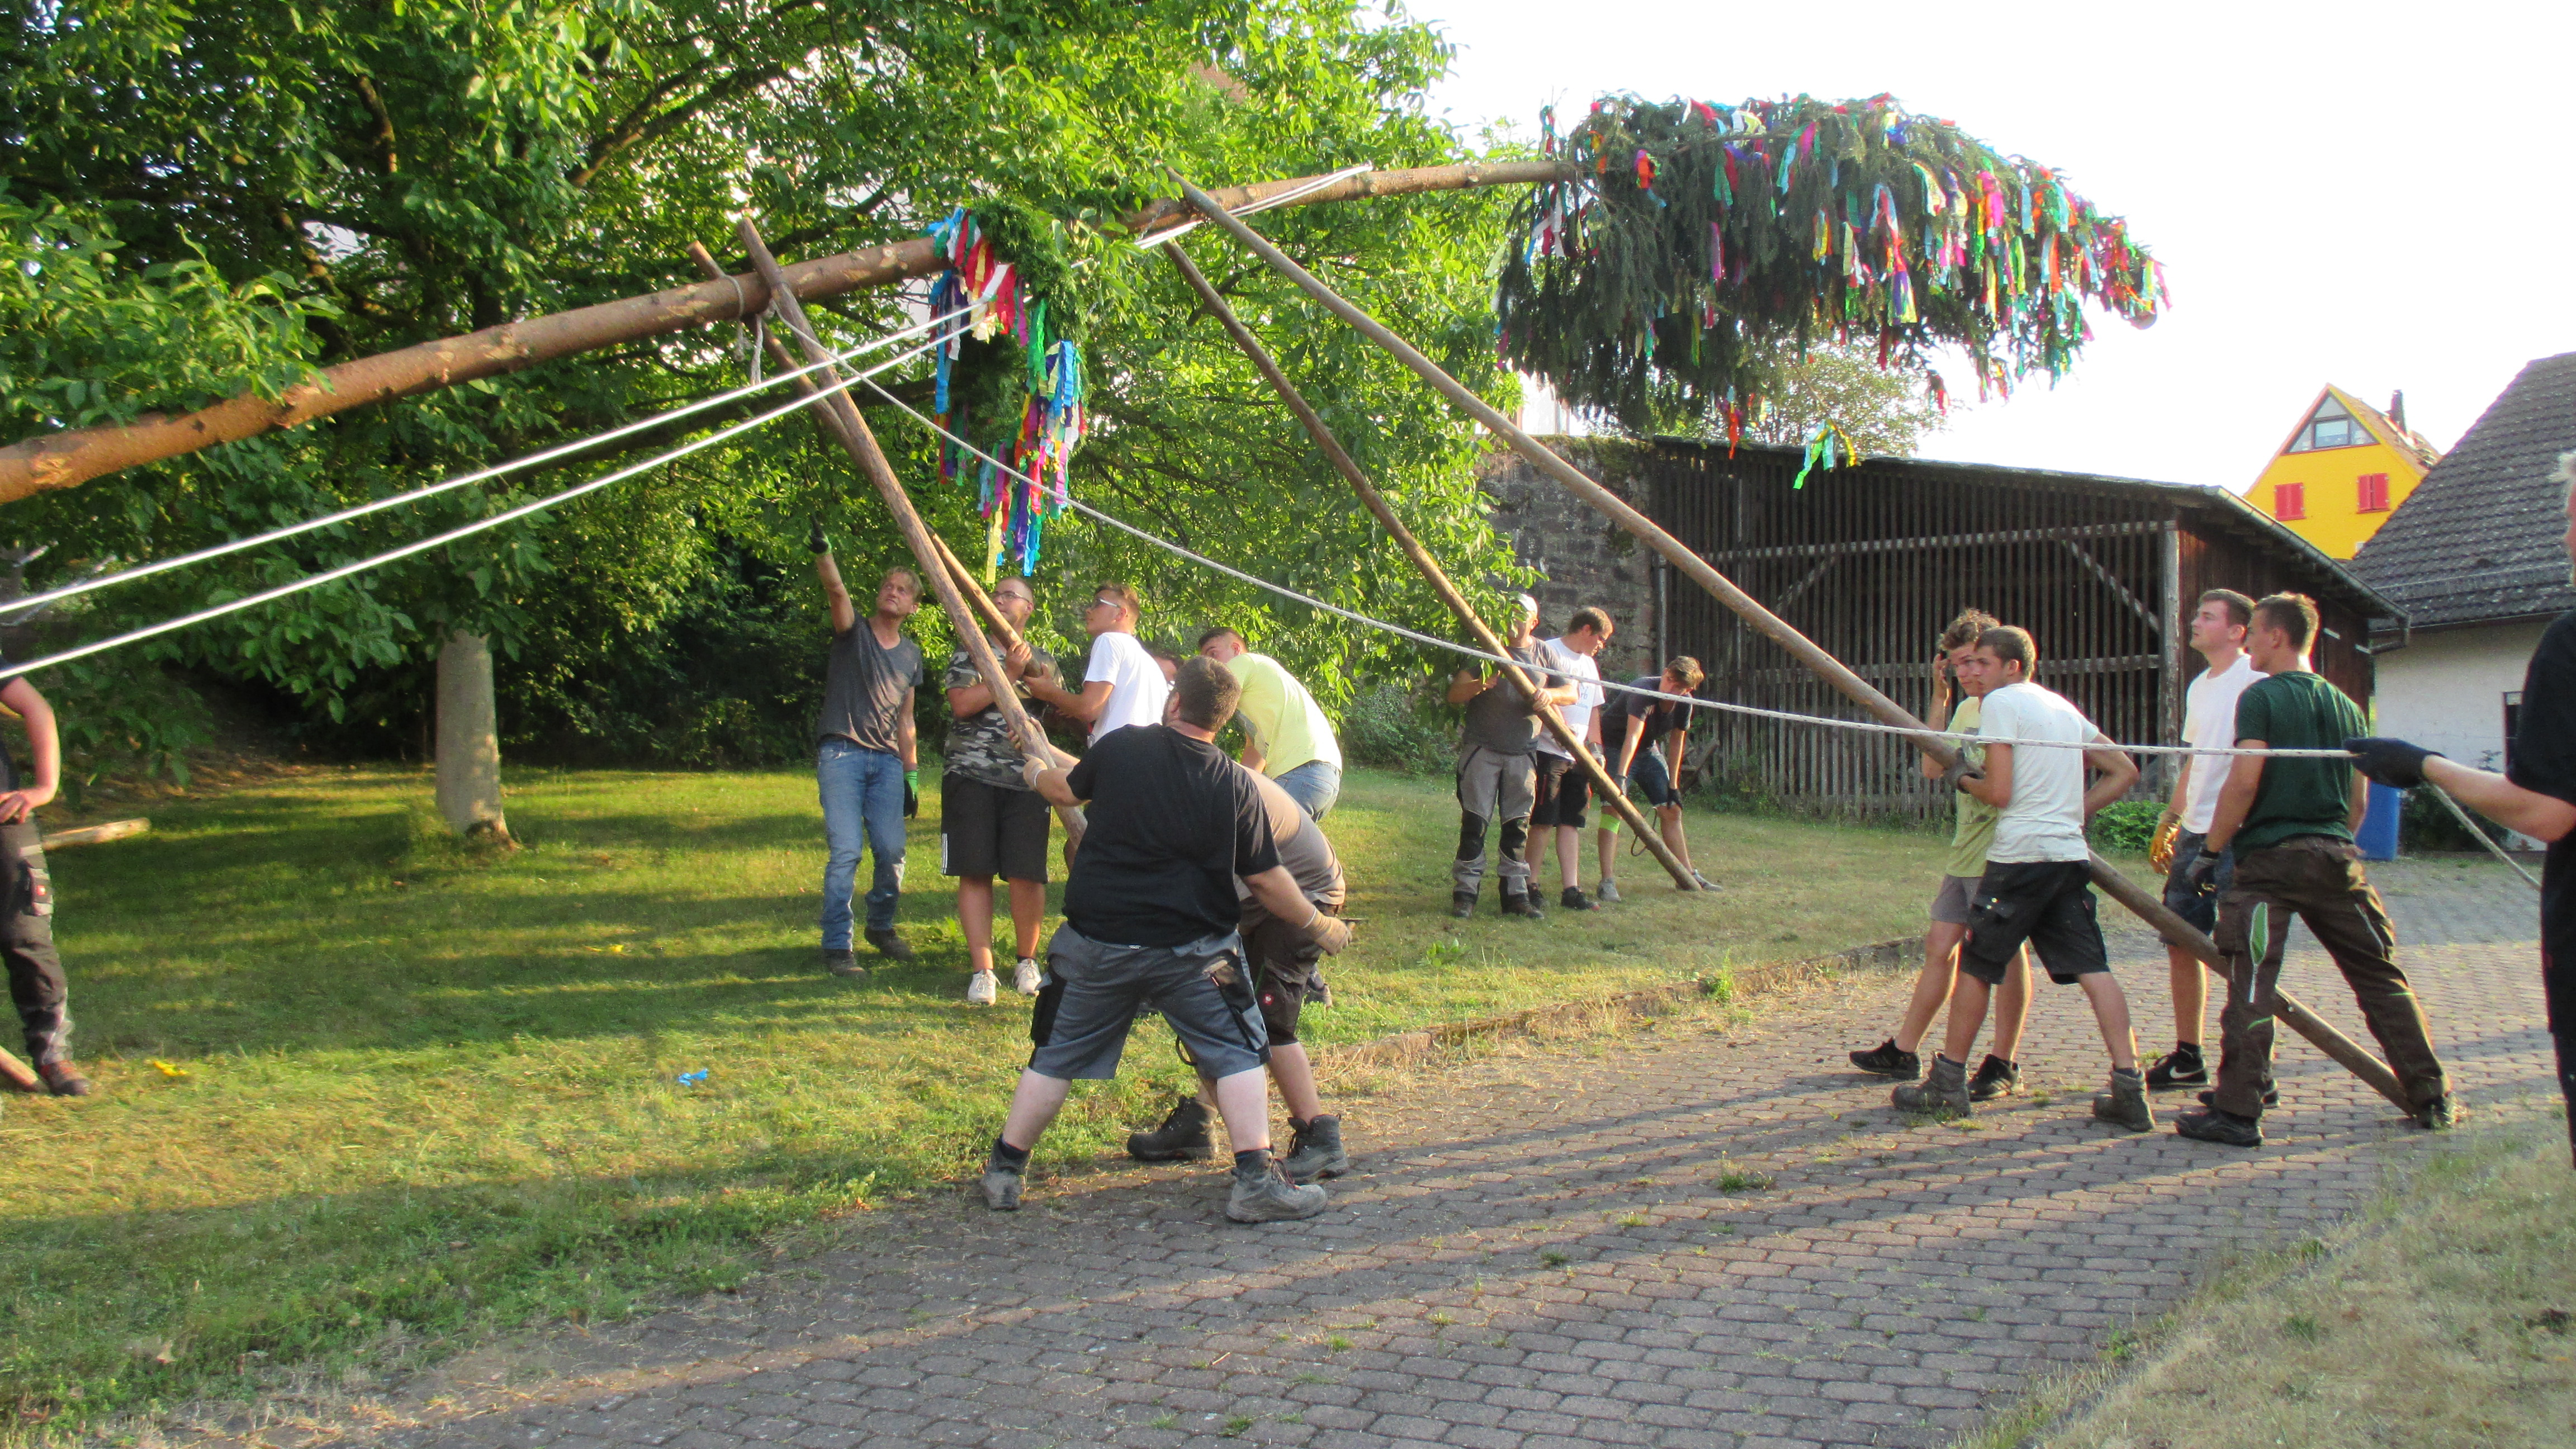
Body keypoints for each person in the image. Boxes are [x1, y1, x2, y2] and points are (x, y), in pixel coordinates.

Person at [995, 657, 1352, 1221]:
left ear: (1176, 701)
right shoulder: (1234, 782)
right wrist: (1318, 923)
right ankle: (1255, 1183)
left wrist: (1034, 770)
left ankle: (1005, 1169)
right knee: (1239, 1052)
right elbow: (1265, 878)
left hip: (1097, 942)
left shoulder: (1123, 747)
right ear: (1225, 720)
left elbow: (1065, 788)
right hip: (1192, 954)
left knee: (1055, 1057)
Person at [2348, 460, 2576, 1166]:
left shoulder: (2570, 643)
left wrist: (2422, 765)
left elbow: (2547, 813)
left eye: (2571, 519)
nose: (2564, 537)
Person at [2174, 594, 2459, 1148]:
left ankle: (2238, 1111)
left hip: (2269, 864)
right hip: (2336, 861)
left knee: (2251, 984)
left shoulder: (2260, 697)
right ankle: (2432, 1095)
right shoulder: (2348, 706)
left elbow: (2245, 781)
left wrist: (2210, 851)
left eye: (2255, 632)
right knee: (2380, 977)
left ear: (2277, 637)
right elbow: (2358, 801)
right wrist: (2334, 841)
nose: (2250, 642)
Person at [1893, 626, 2149, 1129]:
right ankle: (2130, 1086)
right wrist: (2072, 815)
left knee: (1977, 967)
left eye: (1984, 663)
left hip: (2018, 859)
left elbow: (2000, 793)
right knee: (2094, 969)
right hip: (2066, 856)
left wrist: (1963, 779)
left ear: (2013, 666)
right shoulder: (2061, 707)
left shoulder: (2001, 704)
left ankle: (1947, 1084)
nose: (1974, 671)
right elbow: (2125, 771)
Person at [1125, 759, 1351, 1182]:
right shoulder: (1173, 776)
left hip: (1301, 897)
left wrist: (1318, 925)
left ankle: (1320, 1137)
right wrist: (1041, 753)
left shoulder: (1215, 792)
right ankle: (1199, 1122)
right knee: (1211, 1012)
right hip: (1252, 901)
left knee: (1267, 1022)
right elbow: (1084, 778)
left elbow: (1266, 880)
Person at [1849, 610, 2035, 1102]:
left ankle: (2003, 1061)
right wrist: (1940, 698)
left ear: (1997, 659)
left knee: (2008, 955)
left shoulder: (2011, 708)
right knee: (1940, 946)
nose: (1967, 672)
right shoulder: (1968, 708)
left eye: (1974, 661)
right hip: (1965, 849)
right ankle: (1904, 1051)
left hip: (1999, 850)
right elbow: (1933, 768)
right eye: (1957, 664)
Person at [2139, 590, 2262, 1093]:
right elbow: (2196, 759)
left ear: (2236, 631)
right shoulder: (2199, 685)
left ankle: (2249, 1063)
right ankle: (2189, 1054)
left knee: (2241, 951)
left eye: (2207, 617)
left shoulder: (2256, 679)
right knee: (2180, 940)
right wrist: (2171, 818)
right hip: (2194, 830)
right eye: (2197, 615)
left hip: (2237, 833)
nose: (2195, 622)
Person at [941, 574, 1057, 1005]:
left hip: (1028, 778)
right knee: (975, 870)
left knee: (1027, 873)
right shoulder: (969, 650)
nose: (1001, 600)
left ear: (1029, 608)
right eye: (997, 594)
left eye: (1012, 595)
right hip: (970, 774)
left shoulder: (1043, 661)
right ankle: (983, 970)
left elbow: (1056, 710)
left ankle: (1027, 962)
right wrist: (1005, 674)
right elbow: (961, 705)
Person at [812, 528, 924, 975]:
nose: (892, 592)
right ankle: (838, 946)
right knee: (846, 852)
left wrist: (911, 774)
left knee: (892, 850)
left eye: (903, 590)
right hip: (842, 755)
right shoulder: (853, 632)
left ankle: (881, 925)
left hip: (887, 763)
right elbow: (836, 591)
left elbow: (906, 720)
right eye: (887, 586)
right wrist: (825, 553)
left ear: (914, 607)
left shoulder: (912, 655)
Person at [1447, 594, 1575, 920]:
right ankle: (1466, 893)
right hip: (1483, 750)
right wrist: (1481, 684)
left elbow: (1571, 692)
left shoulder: (1544, 653)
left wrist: (1550, 695)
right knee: (1475, 824)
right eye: (1511, 613)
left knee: (1517, 827)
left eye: (1522, 616)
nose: (1514, 620)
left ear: (1534, 622)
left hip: (1523, 753)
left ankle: (1515, 895)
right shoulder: (1488, 646)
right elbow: (1455, 694)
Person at [0, 664, 86, 1097]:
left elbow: (37, 708)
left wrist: (45, 787)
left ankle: (53, 1054)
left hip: (4, 818)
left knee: (26, 936)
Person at [1592, 655, 1720, 898]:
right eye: (1668, 679)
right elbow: (1632, 735)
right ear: (1665, 672)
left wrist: (1673, 785)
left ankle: (1686, 875)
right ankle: (1607, 881)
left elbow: (1677, 741)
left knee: (1672, 809)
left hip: (1648, 750)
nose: (1669, 687)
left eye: (1677, 687)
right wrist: (1621, 777)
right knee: (1613, 809)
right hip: (1616, 747)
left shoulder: (1684, 703)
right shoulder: (1642, 691)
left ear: (1687, 690)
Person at [1197, 628, 1344, 821]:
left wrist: (1190, 750)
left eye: (1213, 654)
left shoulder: (1243, 662)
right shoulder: (1262, 684)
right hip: (1323, 778)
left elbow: (1211, 708)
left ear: (1236, 649)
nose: (1210, 665)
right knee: (1265, 838)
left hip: (1300, 773)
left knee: (1246, 836)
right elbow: (1255, 752)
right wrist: (1237, 788)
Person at [1527, 607, 1613, 912]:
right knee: (1543, 819)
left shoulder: (1589, 664)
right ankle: (1530, 885)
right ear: (1586, 629)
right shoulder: (1549, 651)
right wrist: (1560, 732)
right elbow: (1541, 694)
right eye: (1601, 638)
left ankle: (1571, 889)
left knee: (1571, 821)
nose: (1602, 645)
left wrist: (1596, 749)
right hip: (1549, 751)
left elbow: (1593, 710)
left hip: (1579, 756)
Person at [1026, 581, 1169, 746]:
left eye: (1098, 603)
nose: (1089, 610)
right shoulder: (1151, 666)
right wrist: (1069, 704)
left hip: (1116, 752)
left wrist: (1049, 692)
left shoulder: (1109, 640)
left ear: (1120, 614)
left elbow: (1089, 709)